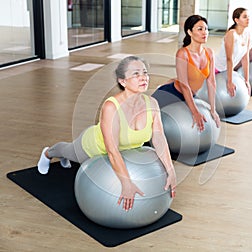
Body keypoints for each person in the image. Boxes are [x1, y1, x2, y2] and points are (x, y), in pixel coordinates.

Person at [37, 56, 177, 211]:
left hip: (127, 152)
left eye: (144, 73)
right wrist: (126, 183)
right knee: (67, 151)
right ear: (123, 81)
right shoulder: (112, 107)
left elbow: (159, 138)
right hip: (94, 148)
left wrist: (170, 170)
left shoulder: (152, 103)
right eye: (136, 74)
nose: (143, 77)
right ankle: (48, 153)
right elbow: (112, 150)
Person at [152, 15, 220, 132]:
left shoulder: (209, 53)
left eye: (206, 29)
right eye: (200, 29)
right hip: (171, 94)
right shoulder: (183, 54)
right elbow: (184, 85)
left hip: (190, 96)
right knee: (147, 119)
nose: (205, 32)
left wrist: (213, 109)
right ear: (189, 32)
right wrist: (195, 112)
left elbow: (211, 81)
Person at [215, 7, 251, 97]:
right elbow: (229, 59)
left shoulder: (247, 34)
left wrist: (247, 80)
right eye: (245, 17)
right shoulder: (231, 34)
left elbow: (245, 59)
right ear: (236, 20)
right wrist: (229, 82)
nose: (248, 19)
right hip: (215, 68)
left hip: (226, 70)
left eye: (248, 17)